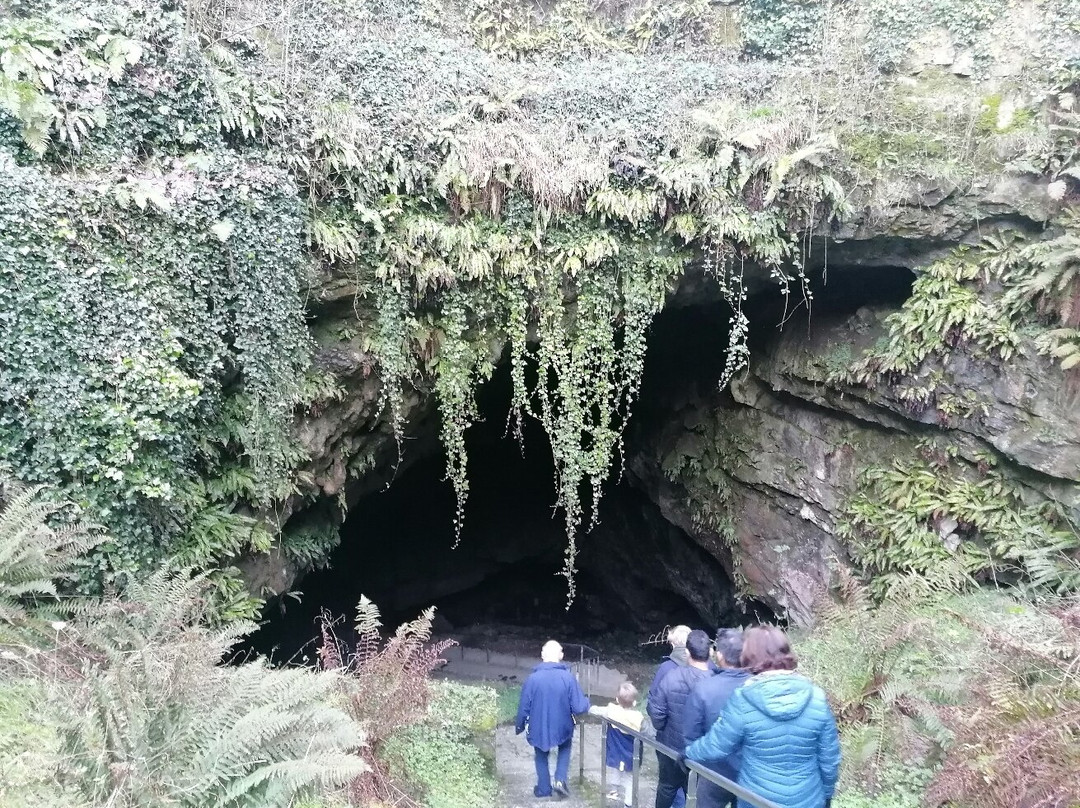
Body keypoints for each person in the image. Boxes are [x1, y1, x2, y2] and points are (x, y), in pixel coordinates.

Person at [684, 626, 841, 808]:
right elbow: (829, 758)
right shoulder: (816, 697)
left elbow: (718, 744)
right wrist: (827, 795)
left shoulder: (744, 699)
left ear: (749, 656)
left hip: (758, 800)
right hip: (808, 799)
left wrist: (688, 753)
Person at [515, 640, 591, 800]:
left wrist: (520, 725)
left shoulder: (532, 679)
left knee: (541, 754)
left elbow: (524, 706)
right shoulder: (568, 678)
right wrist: (587, 703)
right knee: (565, 746)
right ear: (561, 655)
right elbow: (578, 707)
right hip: (563, 725)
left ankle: (543, 788)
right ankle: (560, 780)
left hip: (538, 726)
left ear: (542, 655)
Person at [683, 629, 751, 808]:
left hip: (714, 772)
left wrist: (691, 759)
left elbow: (690, 735)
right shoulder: (758, 687)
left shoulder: (704, 688)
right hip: (750, 773)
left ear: (719, 655)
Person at [648, 629, 712, 808]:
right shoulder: (715, 681)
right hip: (701, 752)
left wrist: (662, 728)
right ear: (710, 652)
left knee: (667, 788)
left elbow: (657, 715)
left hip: (670, 748)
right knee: (695, 794)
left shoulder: (671, 677)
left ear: (687, 652)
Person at [588, 682, 643, 808]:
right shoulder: (639, 718)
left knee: (616, 768)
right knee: (630, 779)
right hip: (631, 754)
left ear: (617, 699)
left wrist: (586, 705)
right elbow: (647, 733)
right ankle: (628, 803)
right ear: (634, 703)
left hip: (616, 751)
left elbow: (594, 710)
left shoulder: (611, 712)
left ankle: (614, 790)